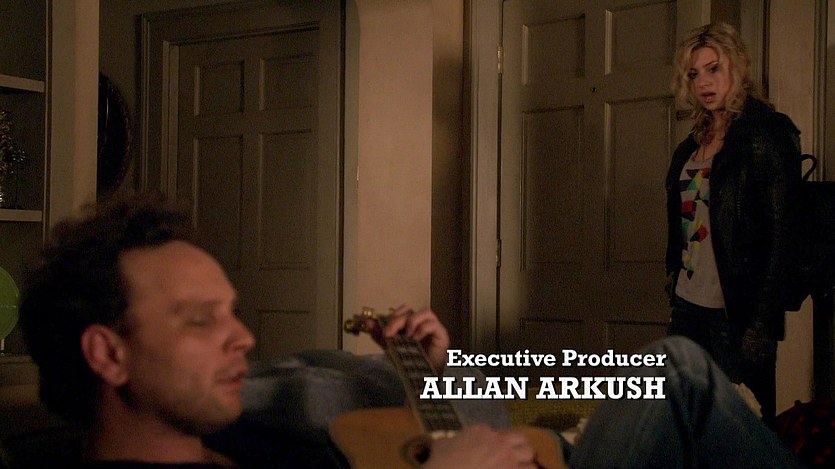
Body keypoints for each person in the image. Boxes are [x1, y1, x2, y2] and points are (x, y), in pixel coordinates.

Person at [18, 193, 536, 468]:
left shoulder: (249, 434)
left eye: (233, 312)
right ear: (109, 354)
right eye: (201, 319)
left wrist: (429, 370)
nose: (244, 338)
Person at [664, 22, 802, 426]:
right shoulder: (692, 144)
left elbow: (783, 237)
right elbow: (682, 219)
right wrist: (673, 273)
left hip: (736, 312)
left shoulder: (766, 133)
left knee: (740, 426)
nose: (704, 83)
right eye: (694, 74)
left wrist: (761, 323)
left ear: (736, 67)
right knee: (682, 418)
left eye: (713, 69)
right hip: (688, 304)